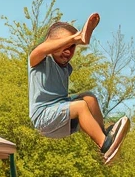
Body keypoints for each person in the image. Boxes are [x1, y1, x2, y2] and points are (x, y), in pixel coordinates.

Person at [28, 13, 129, 165]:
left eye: (72, 47)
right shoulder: (39, 61)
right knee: (80, 106)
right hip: (43, 118)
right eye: (63, 46)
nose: (68, 51)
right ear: (52, 44)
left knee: (89, 98)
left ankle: (104, 137)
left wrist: (83, 35)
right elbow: (41, 50)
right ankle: (105, 145)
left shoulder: (66, 68)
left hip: (62, 118)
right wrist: (76, 38)